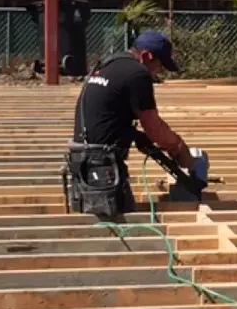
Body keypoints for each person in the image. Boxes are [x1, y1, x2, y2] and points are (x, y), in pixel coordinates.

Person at [68, 30, 195, 217]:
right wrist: (178, 147)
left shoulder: (109, 63)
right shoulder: (137, 73)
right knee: (122, 223)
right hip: (102, 162)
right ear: (147, 56)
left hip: (80, 156)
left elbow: (107, 111)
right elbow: (153, 125)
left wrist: (133, 135)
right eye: (159, 65)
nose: (158, 72)